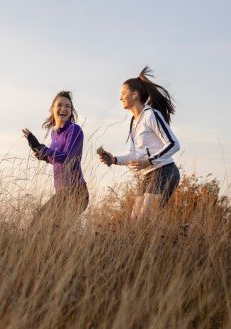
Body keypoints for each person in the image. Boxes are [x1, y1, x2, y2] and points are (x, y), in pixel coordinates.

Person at [99, 66, 180, 219]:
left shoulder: (151, 115)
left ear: (135, 95)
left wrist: (149, 161)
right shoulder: (134, 121)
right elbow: (134, 154)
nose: (120, 97)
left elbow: (173, 144)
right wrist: (114, 159)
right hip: (148, 175)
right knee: (135, 220)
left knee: (144, 219)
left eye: (123, 93)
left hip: (165, 171)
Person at [22, 91, 88, 227]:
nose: (64, 109)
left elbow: (67, 158)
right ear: (53, 109)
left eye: (68, 106)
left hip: (76, 192)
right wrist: (41, 154)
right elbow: (55, 158)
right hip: (63, 192)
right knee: (39, 227)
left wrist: (43, 149)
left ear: (71, 111)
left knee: (46, 228)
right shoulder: (54, 134)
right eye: (60, 105)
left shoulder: (75, 130)